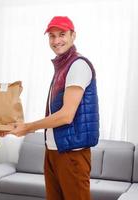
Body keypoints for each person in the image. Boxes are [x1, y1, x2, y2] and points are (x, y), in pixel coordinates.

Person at [10, 16, 99, 200]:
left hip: (72, 154)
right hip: (53, 150)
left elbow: (66, 115)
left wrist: (27, 127)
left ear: (73, 36)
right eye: (52, 36)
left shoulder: (78, 65)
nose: (56, 40)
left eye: (62, 34)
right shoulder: (63, 66)